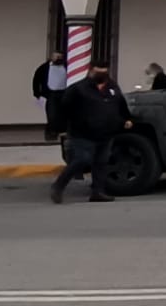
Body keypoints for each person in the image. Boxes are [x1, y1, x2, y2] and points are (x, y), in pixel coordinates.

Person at [48, 61, 133, 204]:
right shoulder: (79, 89)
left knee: (101, 162)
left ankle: (98, 192)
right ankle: (58, 186)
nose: (101, 75)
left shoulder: (113, 88)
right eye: (98, 72)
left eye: (104, 72)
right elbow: (64, 108)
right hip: (82, 134)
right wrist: (60, 127)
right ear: (91, 71)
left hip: (106, 133)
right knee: (82, 159)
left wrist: (126, 119)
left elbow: (120, 105)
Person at [33, 51, 68, 140]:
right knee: (52, 114)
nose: (58, 58)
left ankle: (63, 132)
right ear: (51, 57)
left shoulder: (67, 66)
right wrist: (37, 93)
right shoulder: (44, 68)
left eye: (60, 57)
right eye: (56, 56)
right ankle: (51, 133)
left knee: (64, 114)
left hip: (64, 93)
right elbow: (36, 80)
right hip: (51, 94)